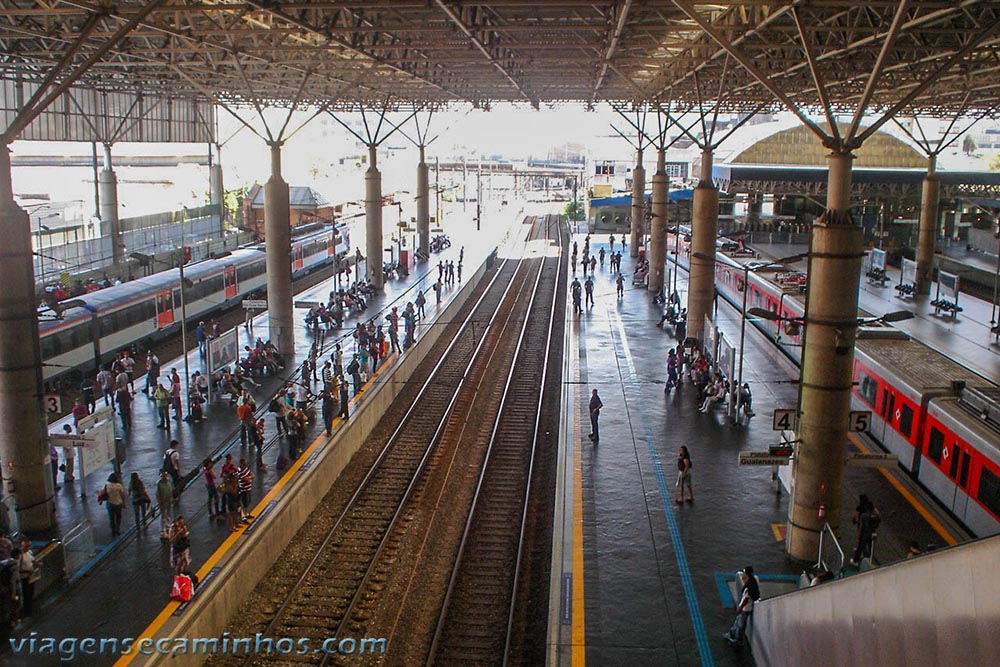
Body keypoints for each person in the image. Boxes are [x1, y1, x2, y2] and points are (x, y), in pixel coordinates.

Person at [723, 566, 761, 646]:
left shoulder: (748, 586)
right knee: (739, 621)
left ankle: (737, 640)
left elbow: (746, 598)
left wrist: (740, 608)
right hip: (748, 607)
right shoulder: (753, 581)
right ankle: (732, 633)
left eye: (744, 572)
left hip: (746, 608)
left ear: (747, 574)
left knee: (741, 624)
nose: (743, 574)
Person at [849, 494, 881, 567]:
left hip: (864, 533)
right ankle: (868, 559)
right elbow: (879, 517)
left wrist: (859, 534)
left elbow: (861, 526)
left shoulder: (864, 515)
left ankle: (855, 561)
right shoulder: (875, 514)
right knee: (870, 546)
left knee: (860, 546)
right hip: (872, 532)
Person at [16, 538, 41, 616]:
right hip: (24, 578)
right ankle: (27, 611)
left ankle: (30, 608)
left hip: (31, 577)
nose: (27, 548)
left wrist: (38, 563)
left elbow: (32, 560)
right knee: (26, 594)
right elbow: (18, 568)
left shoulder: (29, 552)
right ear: (21, 546)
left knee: (30, 593)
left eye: (29, 546)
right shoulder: (20, 556)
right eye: (26, 546)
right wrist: (27, 571)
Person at [99, 473, 126, 538]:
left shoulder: (107, 486)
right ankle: (117, 529)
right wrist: (124, 503)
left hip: (110, 504)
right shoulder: (119, 486)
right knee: (118, 517)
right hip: (118, 504)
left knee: (111, 518)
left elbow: (101, 493)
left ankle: (113, 531)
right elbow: (122, 495)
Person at [155, 471, 174, 539]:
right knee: (163, 516)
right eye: (163, 475)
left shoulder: (169, 481)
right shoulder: (159, 484)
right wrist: (160, 503)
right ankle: (163, 531)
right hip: (163, 502)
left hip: (169, 501)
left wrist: (172, 498)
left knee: (168, 514)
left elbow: (171, 490)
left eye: (165, 475)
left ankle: (168, 528)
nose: (165, 477)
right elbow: (157, 494)